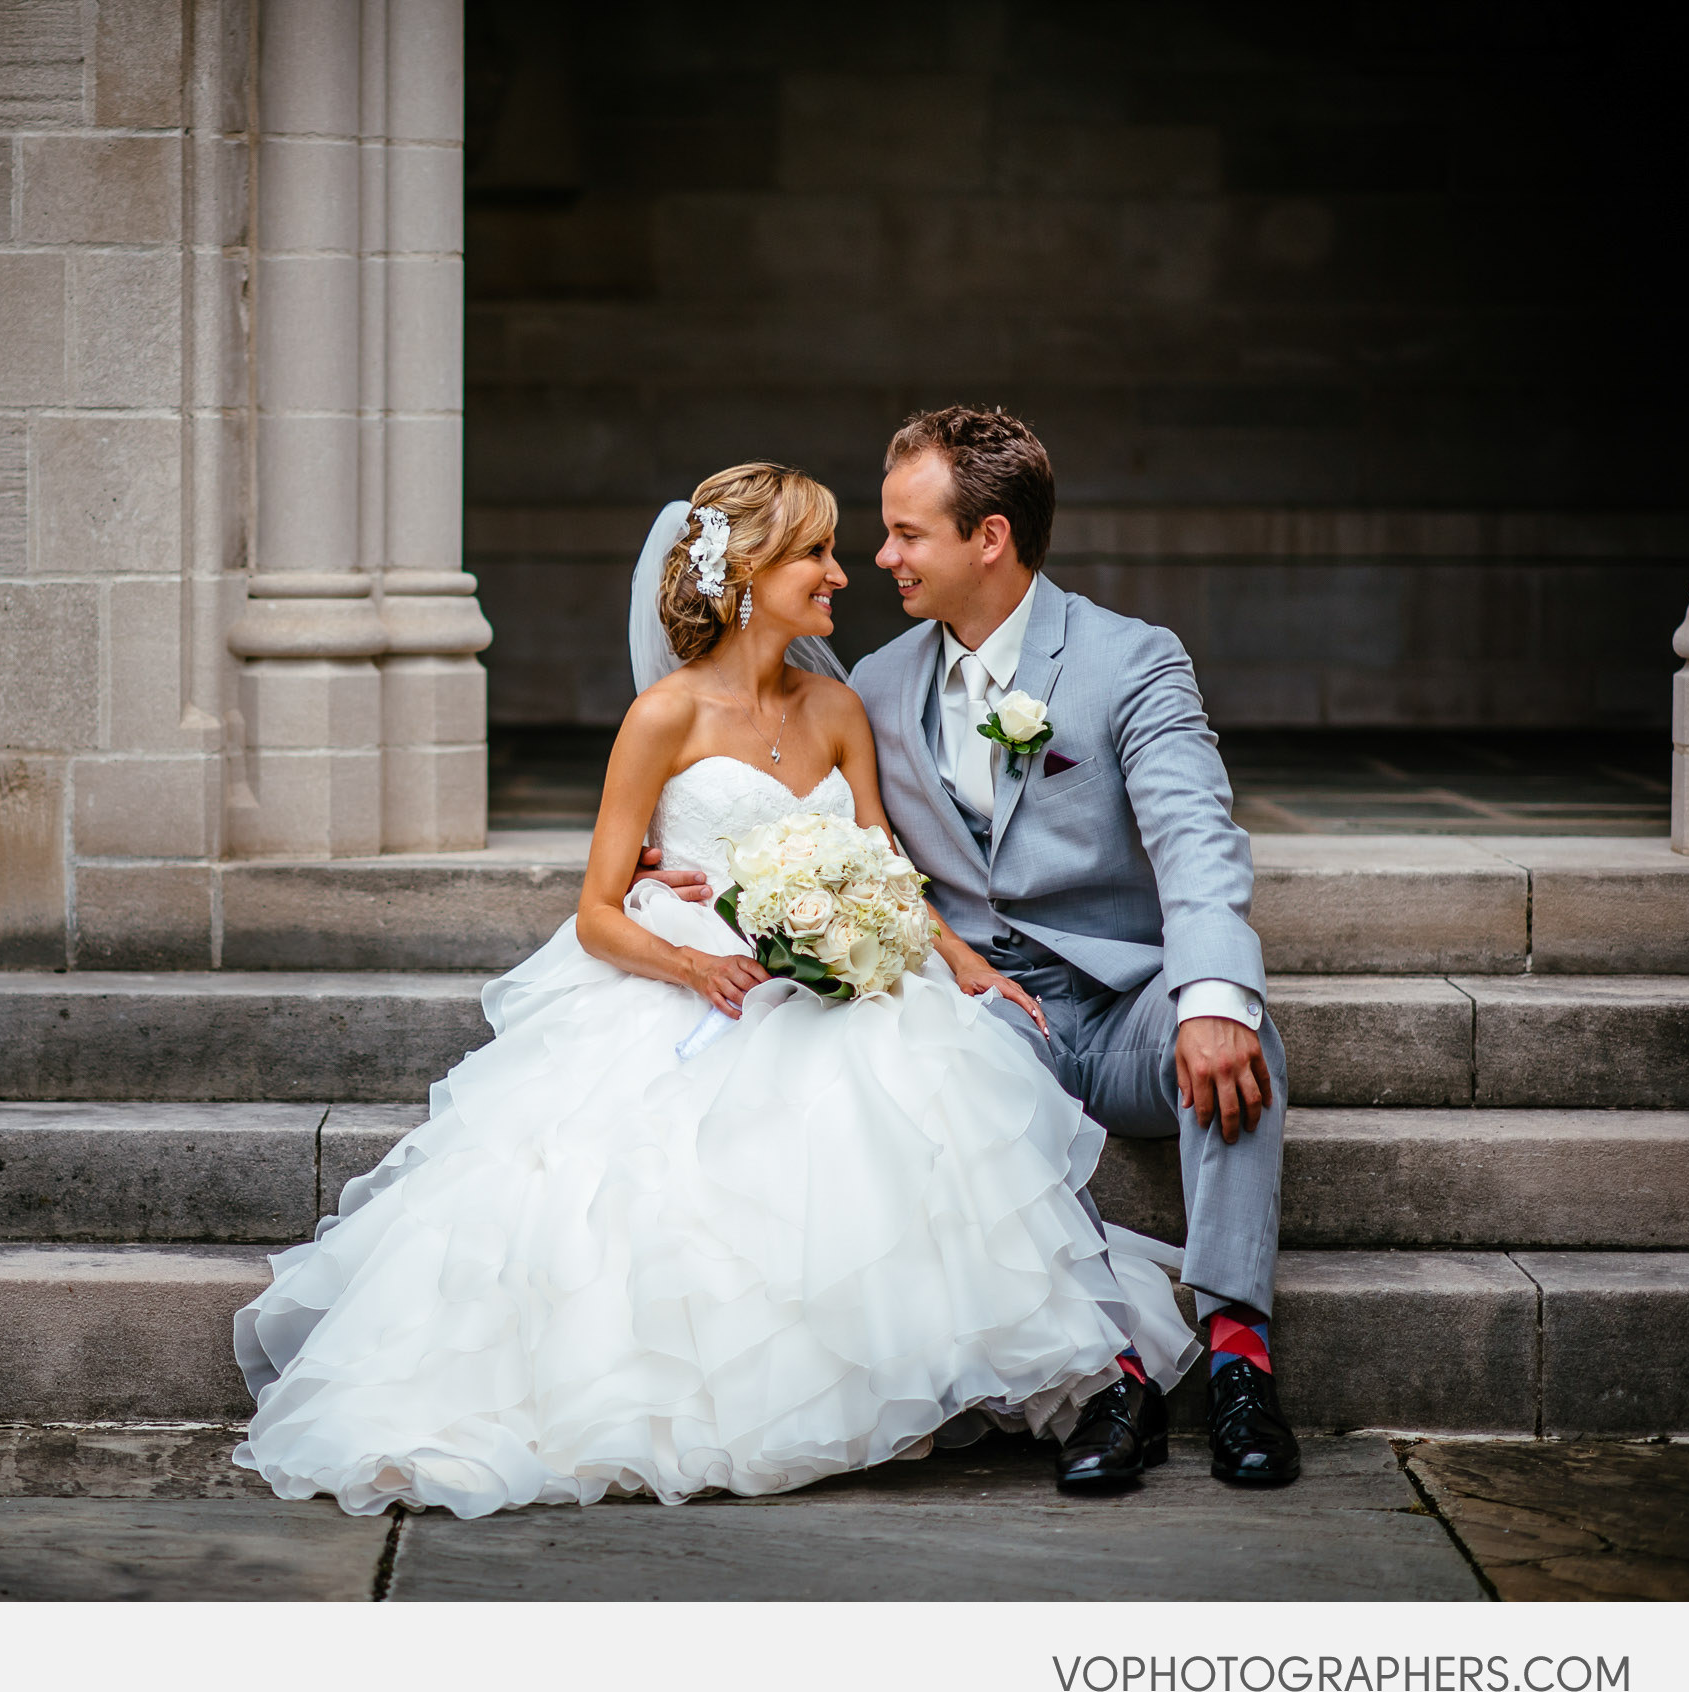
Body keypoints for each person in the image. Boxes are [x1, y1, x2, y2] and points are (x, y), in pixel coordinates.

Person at [232, 462, 1195, 1519]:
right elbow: (599, 909)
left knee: (920, 1084)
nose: (842, 573)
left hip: (834, 975)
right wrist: (696, 963)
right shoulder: (663, 717)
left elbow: (880, 863)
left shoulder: (835, 707)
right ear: (745, 573)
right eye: (816, 554)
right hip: (697, 978)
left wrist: (960, 964)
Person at [644, 410, 1300, 1489]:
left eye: (906, 534)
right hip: (985, 1003)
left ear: (987, 538)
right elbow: (819, 834)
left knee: (1241, 1030)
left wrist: (1214, 995)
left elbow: (1197, 840)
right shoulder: (880, 683)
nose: (881, 557)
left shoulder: (1131, 659)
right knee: (955, 1062)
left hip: (1127, 1000)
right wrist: (664, 870)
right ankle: (1109, 1371)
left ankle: (1238, 1359)